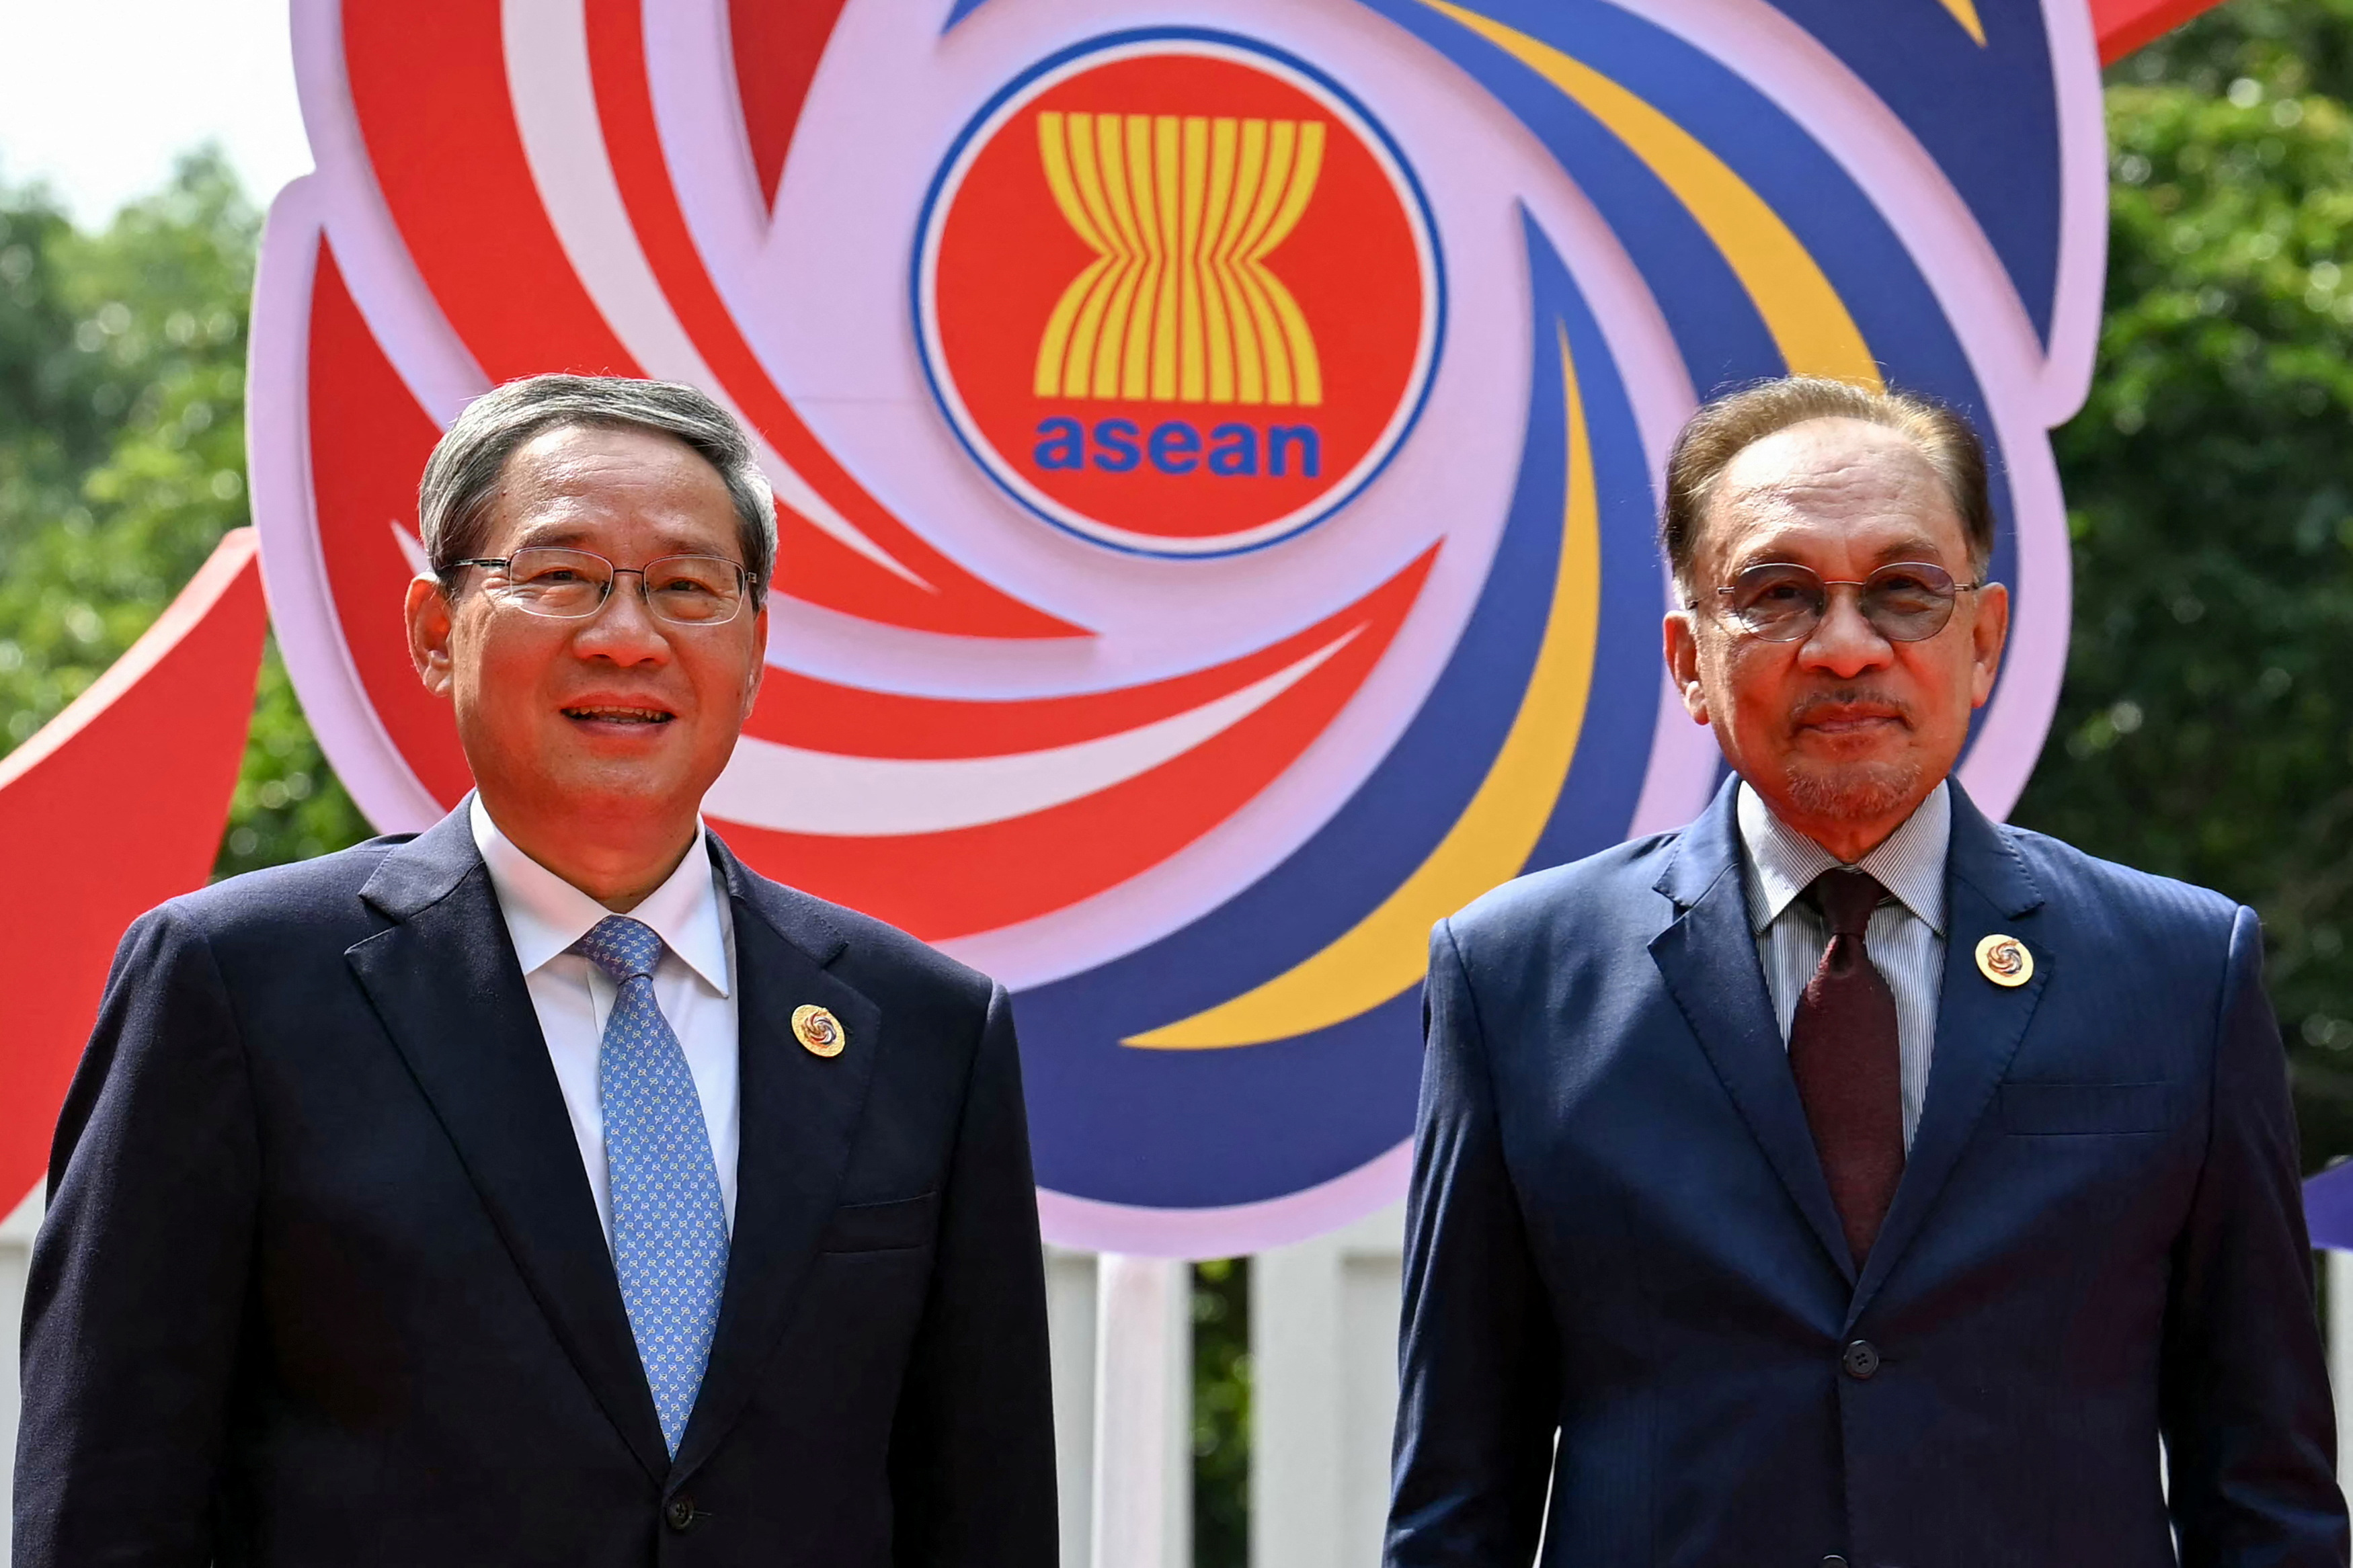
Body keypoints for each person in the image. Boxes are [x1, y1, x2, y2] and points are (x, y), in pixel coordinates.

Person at [13, 375, 1058, 1566]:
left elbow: (985, 1508)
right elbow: (106, 1498)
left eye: (688, 587)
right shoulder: (233, 987)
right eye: (560, 576)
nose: (628, 635)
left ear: (756, 646)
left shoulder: (923, 1026)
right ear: (431, 626)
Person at [1387, 376, 2348, 1567]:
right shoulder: (1515, 978)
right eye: (1778, 594)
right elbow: (1453, 1508)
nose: (1846, 649)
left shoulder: (2181, 971)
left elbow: (2266, 1495)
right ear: (1691, 659)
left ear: (1983, 638)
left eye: (1903, 591)